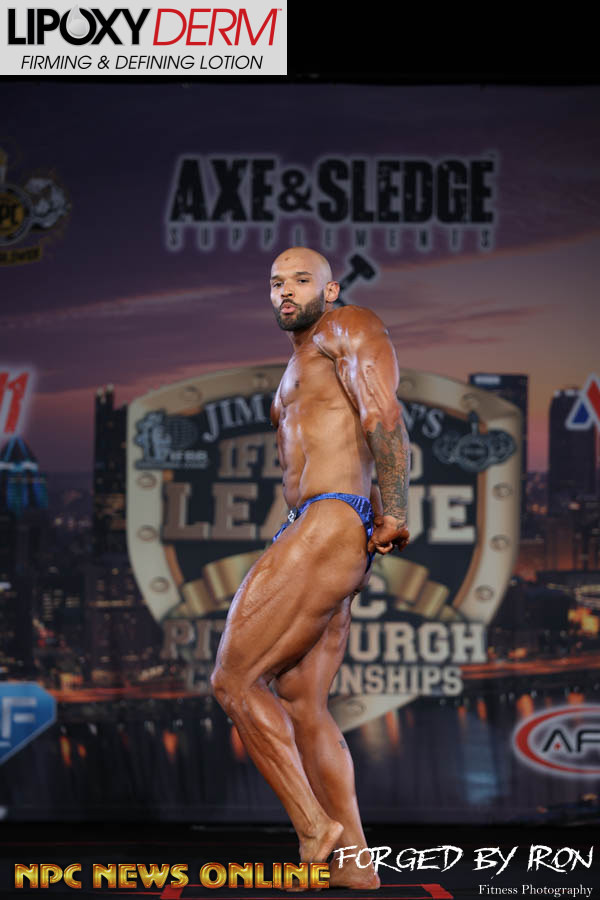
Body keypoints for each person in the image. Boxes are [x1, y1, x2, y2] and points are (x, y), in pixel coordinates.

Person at [211, 247, 410, 890]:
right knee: (304, 705)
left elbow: (381, 411)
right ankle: (356, 865)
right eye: (277, 283)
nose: (286, 291)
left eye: (301, 280)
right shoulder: (299, 362)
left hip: (329, 519)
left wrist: (395, 508)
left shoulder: (348, 325)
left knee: (234, 681)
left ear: (331, 289)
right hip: (321, 524)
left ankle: (313, 827)